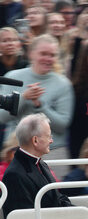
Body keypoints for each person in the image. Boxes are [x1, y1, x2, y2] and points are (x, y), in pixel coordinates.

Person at [0, 34, 74, 179]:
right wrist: (24, 97)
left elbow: (62, 124)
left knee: (53, 199)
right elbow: (2, 117)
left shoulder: (63, 84)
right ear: (31, 54)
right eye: (43, 54)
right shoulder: (13, 76)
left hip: (53, 152)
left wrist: (40, 105)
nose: (48, 59)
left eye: (52, 55)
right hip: (16, 152)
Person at [2, 113, 72, 218]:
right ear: (35, 140)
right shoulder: (14, 174)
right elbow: (23, 215)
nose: (51, 140)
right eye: (49, 136)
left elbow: (58, 199)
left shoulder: (41, 164)